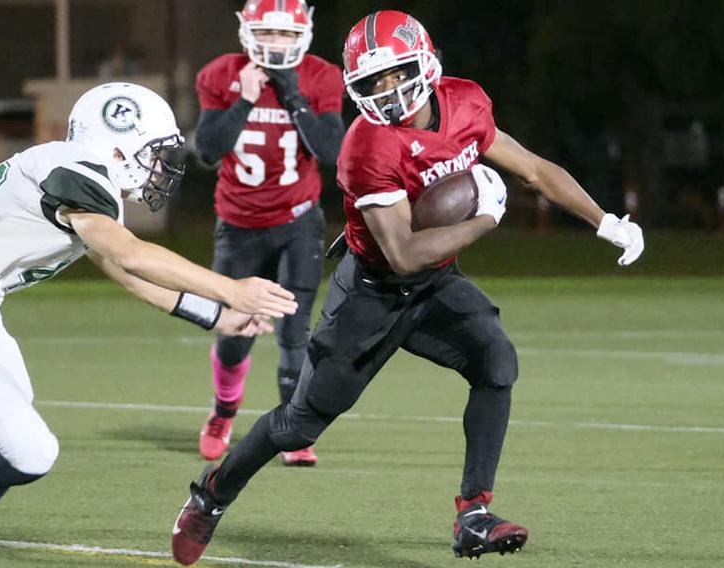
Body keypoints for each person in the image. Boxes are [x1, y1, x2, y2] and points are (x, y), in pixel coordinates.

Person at [171, 10, 645, 565]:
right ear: (358, 90)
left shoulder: (464, 101)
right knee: (300, 424)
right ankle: (210, 494)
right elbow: (401, 253)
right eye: (374, 82)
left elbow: (535, 170)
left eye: (398, 74)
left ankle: (473, 513)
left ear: (426, 61)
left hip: (435, 282)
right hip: (373, 290)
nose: (390, 91)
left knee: (496, 362)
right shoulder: (368, 145)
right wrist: (484, 219)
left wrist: (604, 221)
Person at [0, 82, 298, 568]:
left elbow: (128, 274)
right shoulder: (77, 170)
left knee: (12, 448)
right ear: (117, 143)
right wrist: (230, 288)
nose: (159, 166)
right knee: (30, 453)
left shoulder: (75, 174)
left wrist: (218, 316)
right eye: (153, 152)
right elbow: (132, 255)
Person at [192, 0, 345, 466]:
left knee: (295, 332)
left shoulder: (321, 77)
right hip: (238, 224)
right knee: (235, 330)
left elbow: (332, 150)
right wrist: (245, 98)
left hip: (297, 220)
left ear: (303, 36)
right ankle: (223, 412)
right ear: (248, 33)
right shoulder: (221, 73)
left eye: (285, 35)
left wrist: (293, 94)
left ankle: (292, 429)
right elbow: (207, 150)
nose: (277, 44)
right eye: (269, 34)